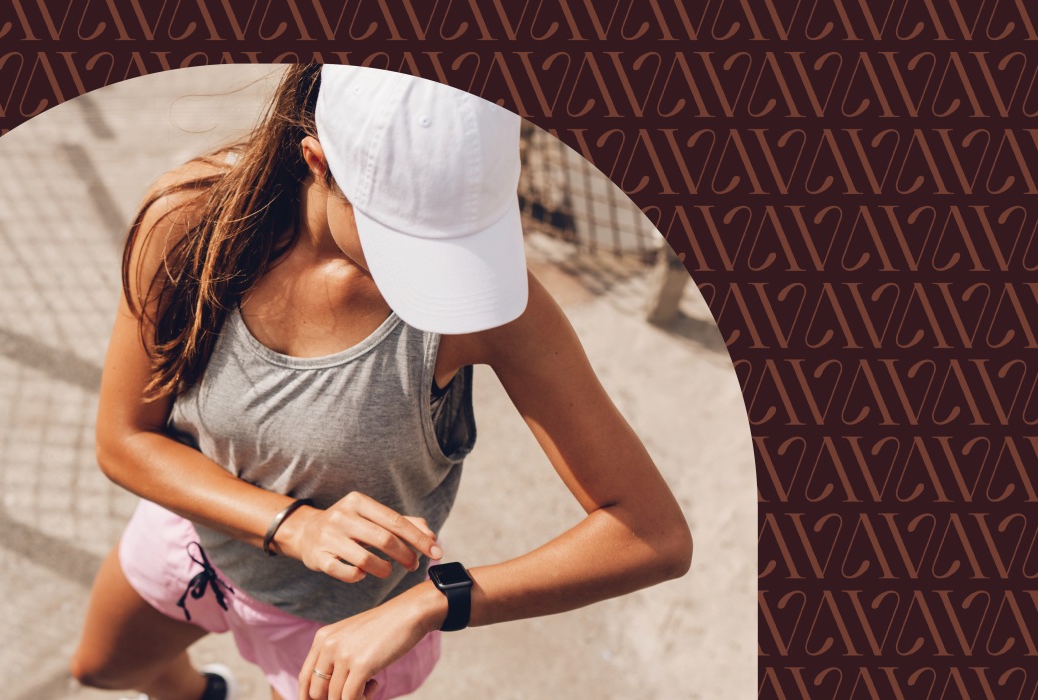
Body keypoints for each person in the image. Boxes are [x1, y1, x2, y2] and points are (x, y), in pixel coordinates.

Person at [69, 63, 693, 700]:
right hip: (196, 531)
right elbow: (124, 441)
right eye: (406, 235)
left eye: (464, 234)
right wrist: (293, 526)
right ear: (316, 160)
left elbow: (653, 535)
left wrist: (430, 602)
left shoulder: (492, 308)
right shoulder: (188, 223)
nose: (446, 278)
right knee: (101, 670)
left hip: (346, 623)